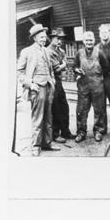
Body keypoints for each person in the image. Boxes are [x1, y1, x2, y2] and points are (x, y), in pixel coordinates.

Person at [16, 23, 58, 156]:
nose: (44, 39)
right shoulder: (27, 51)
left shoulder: (46, 50)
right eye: (41, 37)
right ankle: (36, 145)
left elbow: (50, 69)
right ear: (34, 38)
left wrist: (52, 81)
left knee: (48, 116)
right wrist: (30, 84)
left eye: (45, 37)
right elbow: (19, 72)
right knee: (37, 117)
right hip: (37, 88)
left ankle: (47, 142)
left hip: (48, 86)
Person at [72, 30, 109, 143]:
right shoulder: (79, 53)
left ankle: (98, 131)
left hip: (97, 86)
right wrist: (77, 70)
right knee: (82, 110)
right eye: (87, 40)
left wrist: (99, 76)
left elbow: (106, 68)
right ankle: (81, 132)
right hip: (83, 86)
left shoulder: (100, 53)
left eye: (91, 40)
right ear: (83, 41)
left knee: (99, 110)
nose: (89, 42)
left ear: (94, 41)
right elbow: (74, 67)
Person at [48, 27, 73, 142]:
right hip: (52, 82)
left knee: (64, 107)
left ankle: (65, 131)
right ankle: (55, 134)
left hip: (59, 82)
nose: (60, 41)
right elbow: (57, 68)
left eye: (61, 39)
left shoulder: (61, 51)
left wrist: (63, 65)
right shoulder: (48, 51)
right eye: (57, 38)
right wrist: (63, 64)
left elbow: (63, 66)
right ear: (52, 38)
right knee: (55, 108)